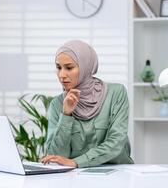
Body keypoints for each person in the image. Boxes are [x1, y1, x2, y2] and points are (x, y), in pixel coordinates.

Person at [41, 40, 134, 168]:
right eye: (58, 67)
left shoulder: (116, 93)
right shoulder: (57, 104)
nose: (62, 75)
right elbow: (56, 156)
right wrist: (66, 115)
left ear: (85, 66)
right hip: (75, 176)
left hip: (117, 172)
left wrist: (77, 162)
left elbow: (116, 142)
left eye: (69, 67)